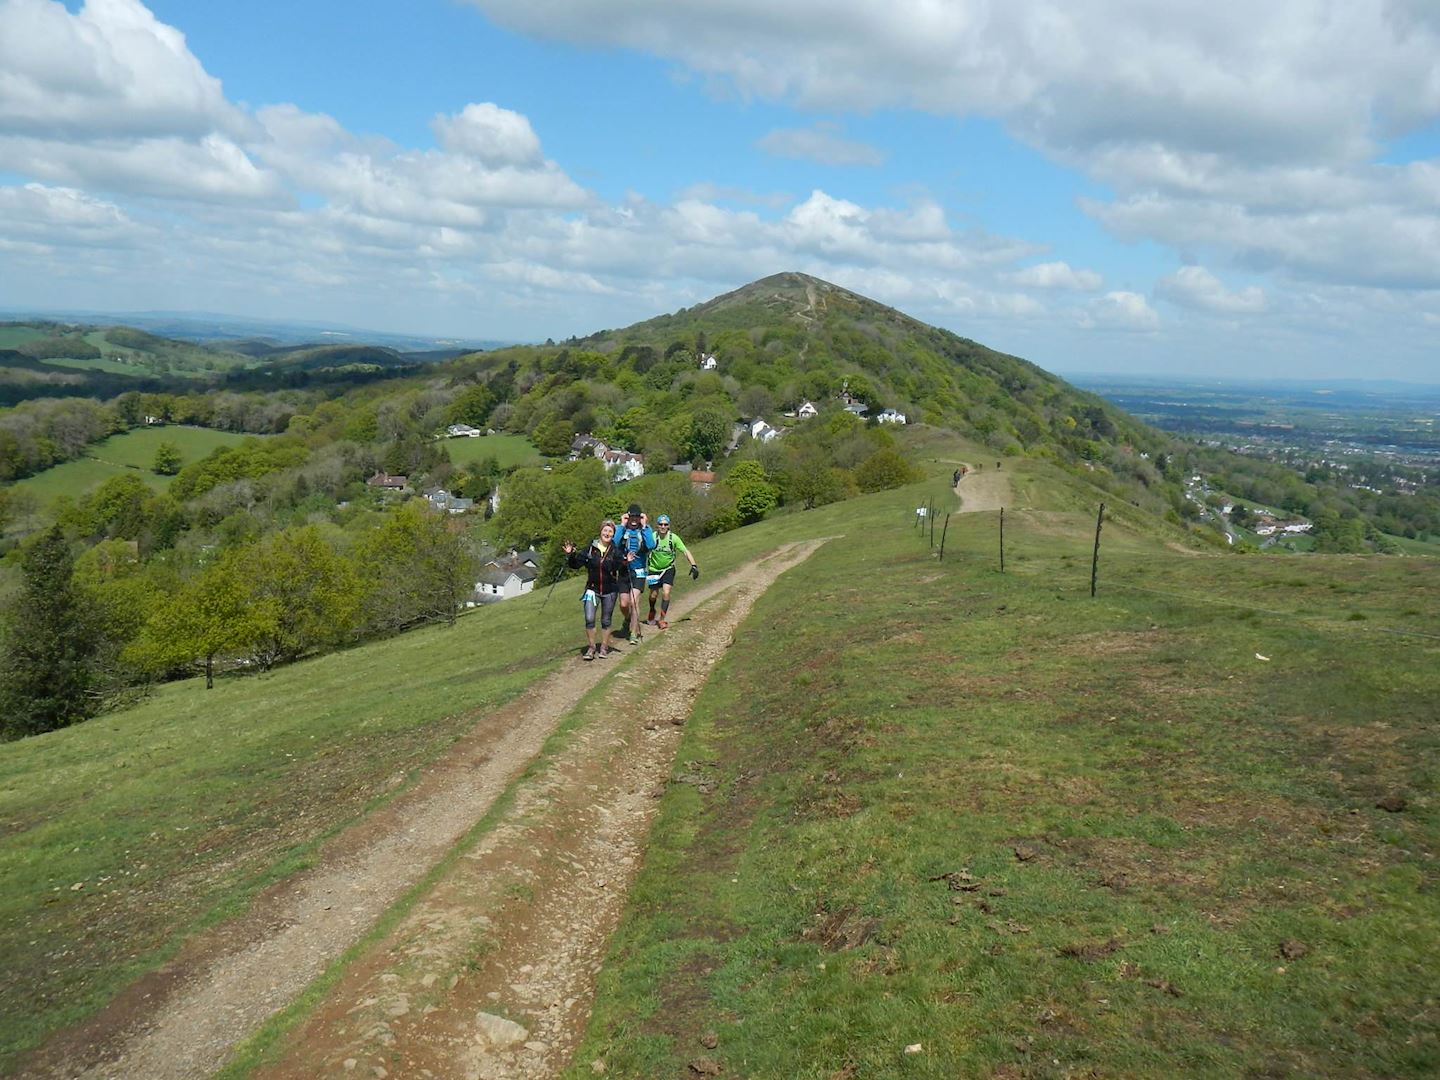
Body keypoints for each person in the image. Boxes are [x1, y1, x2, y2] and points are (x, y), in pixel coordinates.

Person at [562, 519, 627, 661]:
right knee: (589, 619)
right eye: (605, 530)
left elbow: (618, 568)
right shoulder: (590, 549)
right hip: (592, 590)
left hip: (610, 590)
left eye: (610, 531)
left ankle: (603, 647)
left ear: (613, 534)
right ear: (600, 532)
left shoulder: (615, 551)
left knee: (606, 620)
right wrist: (570, 555)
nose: (607, 533)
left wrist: (625, 561)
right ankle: (591, 648)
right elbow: (575, 564)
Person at [643, 514, 699, 629]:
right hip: (653, 569)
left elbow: (685, 551)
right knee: (653, 595)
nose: (663, 527)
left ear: (669, 526)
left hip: (668, 569)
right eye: (660, 524)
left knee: (666, 592)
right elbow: (643, 550)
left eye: (665, 524)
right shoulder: (652, 537)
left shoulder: (673, 538)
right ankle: (652, 610)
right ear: (657, 525)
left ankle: (662, 620)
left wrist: (694, 565)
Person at [613, 503, 655, 644]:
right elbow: (613, 543)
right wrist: (621, 525)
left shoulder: (644, 530)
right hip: (624, 571)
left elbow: (650, 545)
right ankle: (628, 620)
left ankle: (633, 633)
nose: (634, 519)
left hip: (639, 572)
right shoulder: (622, 530)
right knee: (624, 604)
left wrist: (645, 526)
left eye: (637, 517)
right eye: (632, 516)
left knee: (634, 600)